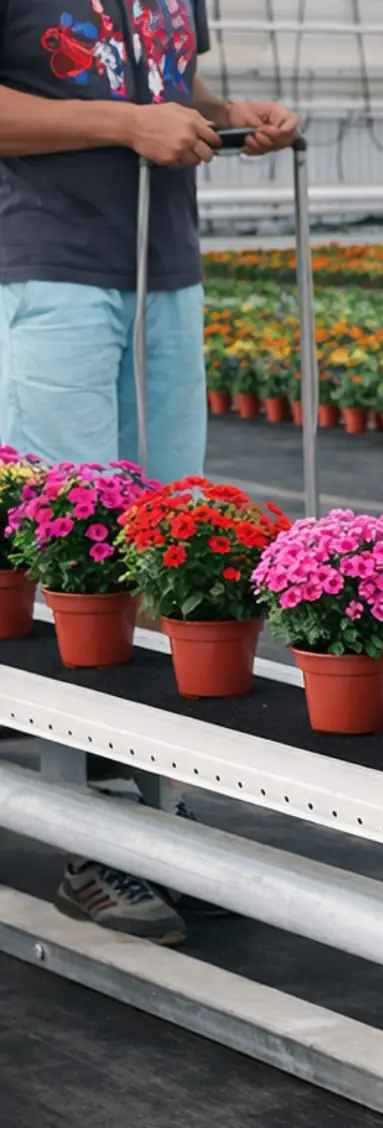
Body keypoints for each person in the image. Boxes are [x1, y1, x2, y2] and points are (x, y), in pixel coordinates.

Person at [0, 0, 299, 942]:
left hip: (165, 272)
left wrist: (226, 114)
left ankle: (157, 813)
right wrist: (126, 125)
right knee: (78, 556)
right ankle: (96, 837)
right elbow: (108, 107)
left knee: (175, 546)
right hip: (51, 274)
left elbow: (165, 84)